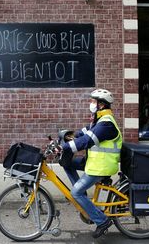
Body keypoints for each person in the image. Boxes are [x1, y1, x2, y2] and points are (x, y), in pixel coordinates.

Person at [59, 89, 123, 238]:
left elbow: (86, 141)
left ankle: (102, 221)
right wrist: (68, 136)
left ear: (101, 104)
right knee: (67, 163)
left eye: (94, 101)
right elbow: (83, 133)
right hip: (94, 163)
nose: (91, 103)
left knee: (75, 192)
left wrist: (64, 147)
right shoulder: (98, 120)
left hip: (102, 167)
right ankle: (83, 197)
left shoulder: (106, 124)